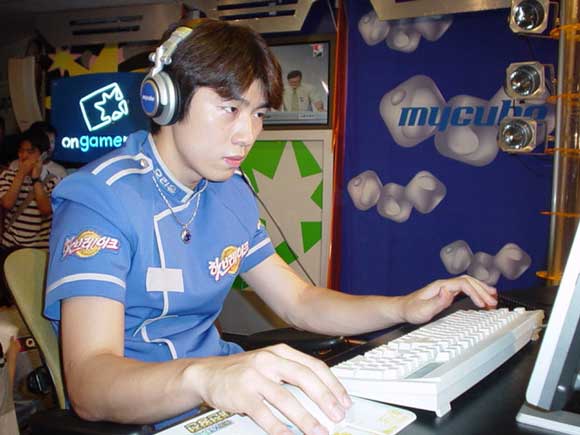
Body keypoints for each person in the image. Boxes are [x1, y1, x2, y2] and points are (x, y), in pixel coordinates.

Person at [43, 19, 497, 435]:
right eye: (229, 108)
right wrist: (206, 378)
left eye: (258, 114)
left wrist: (402, 308)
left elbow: (299, 301)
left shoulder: (229, 192)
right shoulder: (99, 200)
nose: (247, 135)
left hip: (225, 404)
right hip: (155, 417)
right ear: (166, 100)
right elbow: (89, 384)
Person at [0, 128, 60, 250]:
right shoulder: (7, 176)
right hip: (9, 246)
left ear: (43, 155)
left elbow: (46, 210)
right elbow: (7, 203)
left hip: (39, 250)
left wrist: (36, 180)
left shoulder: (54, 181)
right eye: (21, 151)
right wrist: (21, 174)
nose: (24, 156)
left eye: (30, 151)